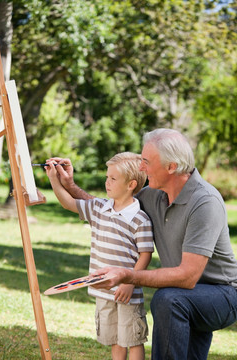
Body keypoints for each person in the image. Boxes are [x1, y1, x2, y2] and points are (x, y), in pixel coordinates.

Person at [50, 128, 237, 360]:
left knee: (168, 300)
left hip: (222, 294)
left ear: (172, 167)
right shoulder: (152, 195)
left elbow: (188, 277)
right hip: (186, 295)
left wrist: (127, 276)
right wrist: (69, 185)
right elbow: (112, 212)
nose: (141, 168)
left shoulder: (205, 202)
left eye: (147, 161)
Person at [45, 152, 154, 360]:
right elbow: (68, 203)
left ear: (131, 184)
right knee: (115, 340)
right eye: (107, 177)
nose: (107, 182)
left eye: (113, 178)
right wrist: (53, 179)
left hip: (127, 292)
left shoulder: (140, 219)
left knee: (133, 340)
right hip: (104, 292)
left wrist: (130, 282)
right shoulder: (98, 208)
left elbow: (145, 255)